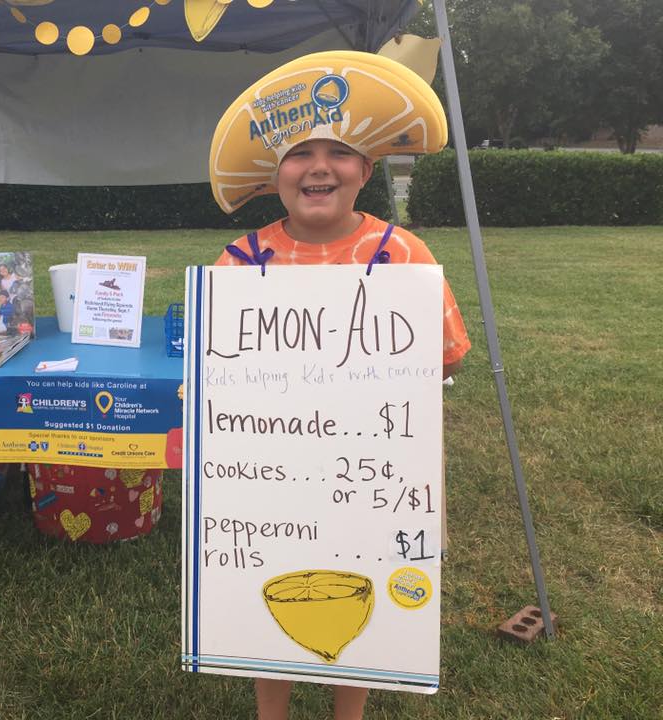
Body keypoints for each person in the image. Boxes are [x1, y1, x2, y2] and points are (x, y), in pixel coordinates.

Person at [207, 51, 470, 720]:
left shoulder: (404, 255)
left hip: (373, 469)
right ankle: (273, 710)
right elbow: (220, 372)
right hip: (270, 469)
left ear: (366, 171)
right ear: (275, 173)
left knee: (359, 589)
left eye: (339, 152)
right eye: (299, 152)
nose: (318, 166)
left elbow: (446, 357)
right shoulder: (239, 262)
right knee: (273, 582)